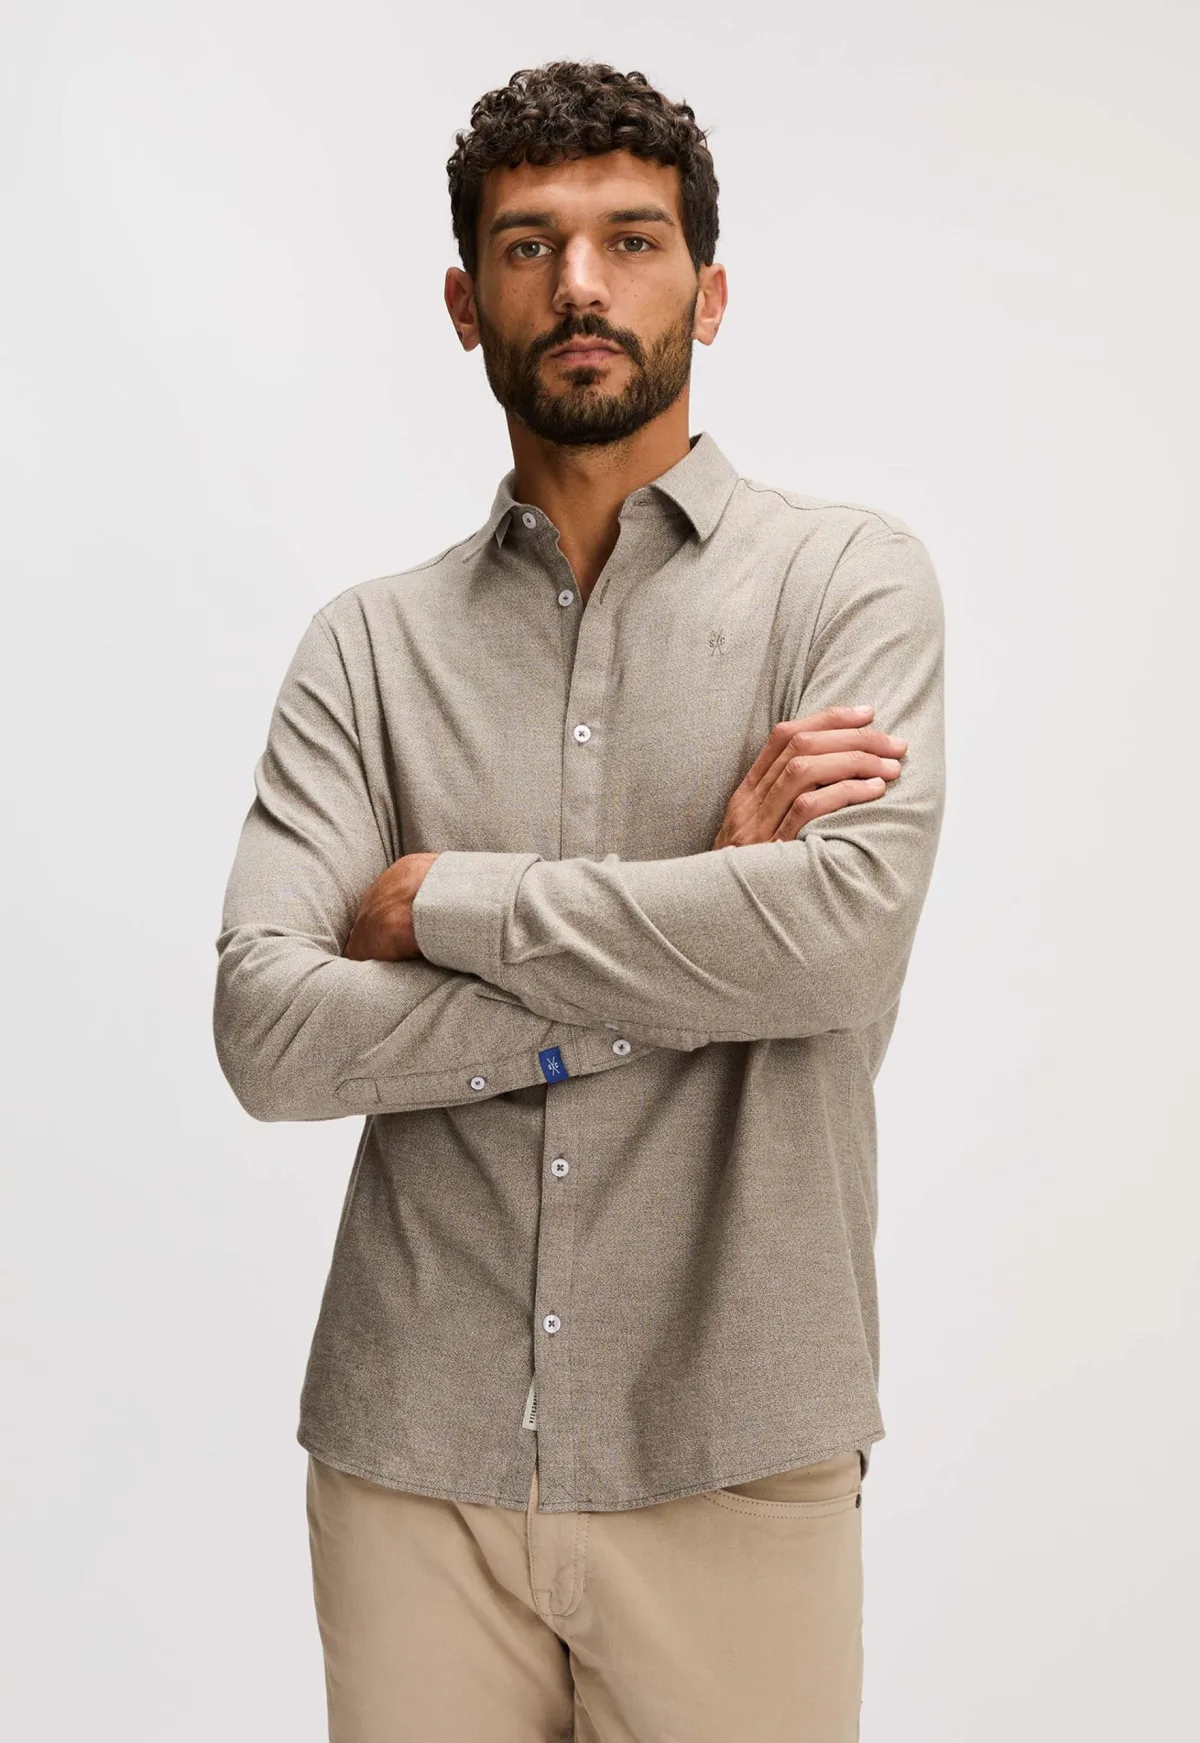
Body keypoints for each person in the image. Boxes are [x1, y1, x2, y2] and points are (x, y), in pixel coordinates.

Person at [213, 57, 945, 1743]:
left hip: (734, 1446)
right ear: (467, 304)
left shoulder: (845, 586)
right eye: (530, 246)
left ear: (711, 290)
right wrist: (711, 921)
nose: (582, 284)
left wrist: (444, 900)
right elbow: (267, 1031)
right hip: (411, 1456)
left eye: (632, 238)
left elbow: (836, 944)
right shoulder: (368, 650)